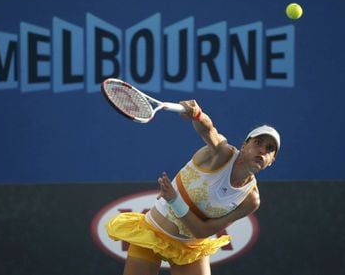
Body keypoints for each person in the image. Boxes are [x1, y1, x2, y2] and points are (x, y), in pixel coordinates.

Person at [106, 100, 280, 275]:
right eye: (258, 143)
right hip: (152, 232)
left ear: (271, 161)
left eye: (270, 149)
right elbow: (209, 131)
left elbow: (202, 231)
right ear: (244, 145)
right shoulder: (221, 154)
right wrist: (197, 115)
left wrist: (175, 200)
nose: (263, 150)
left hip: (190, 249)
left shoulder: (251, 199)